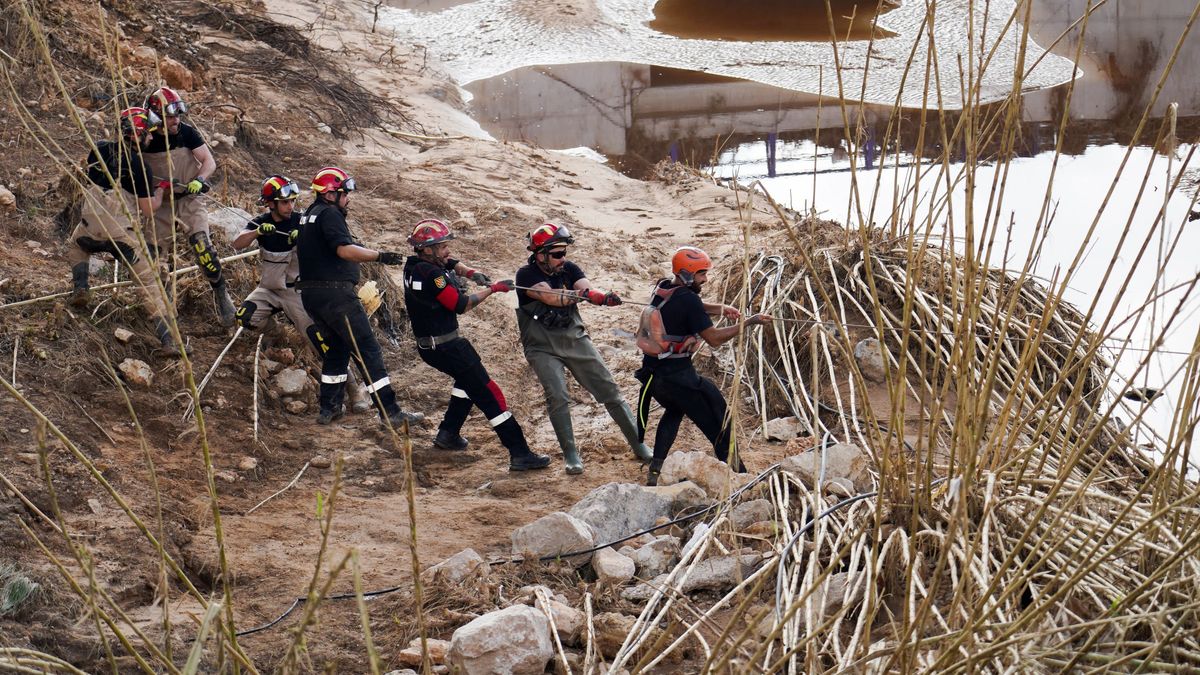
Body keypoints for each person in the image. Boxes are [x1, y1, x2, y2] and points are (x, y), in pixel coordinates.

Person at [402, 219, 551, 471]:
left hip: (430, 347)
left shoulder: (415, 266)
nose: (447, 250)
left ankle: (448, 433)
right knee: (490, 394)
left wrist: (471, 273)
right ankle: (519, 452)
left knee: (465, 383)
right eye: (442, 246)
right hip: (447, 347)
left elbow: (450, 263)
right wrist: (493, 289)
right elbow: (460, 305)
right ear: (427, 249)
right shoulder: (435, 277)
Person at [514, 223, 653, 474]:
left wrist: (601, 296)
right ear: (540, 254)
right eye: (557, 254)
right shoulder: (526, 276)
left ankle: (639, 445)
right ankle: (571, 455)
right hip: (542, 347)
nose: (563, 259)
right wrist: (587, 296)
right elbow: (551, 297)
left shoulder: (570, 269)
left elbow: (585, 287)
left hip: (575, 339)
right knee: (558, 396)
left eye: (564, 253)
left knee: (609, 389)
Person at [294, 166, 425, 427]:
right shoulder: (330, 214)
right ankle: (390, 413)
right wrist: (379, 255)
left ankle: (328, 408)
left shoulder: (308, 215)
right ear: (331, 195)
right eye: (345, 192)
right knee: (368, 350)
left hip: (312, 296)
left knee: (337, 350)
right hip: (336, 296)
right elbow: (343, 250)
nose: (349, 198)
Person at [634, 246, 772, 486]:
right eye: (701, 274)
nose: (705, 279)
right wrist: (751, 321)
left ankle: (655, 472)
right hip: (679, 380)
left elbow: (690, 304)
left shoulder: (664, 287)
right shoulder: (689, 300)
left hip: (654, 377)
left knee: (674, 411)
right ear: (687, 275)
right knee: (718, 421)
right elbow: (714, 339)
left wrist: (720, 308)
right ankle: (740, 475)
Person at [231, 175, 369, 413]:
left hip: (298, 292)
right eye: (285, 203)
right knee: (245, 316)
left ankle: (354, 389)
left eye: (293, 201)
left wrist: (303, 239)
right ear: (271, 204)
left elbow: (329, 246)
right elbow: (237, 243)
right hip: (269, 290)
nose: (290, 207)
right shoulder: (261, 222)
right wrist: (256, 233)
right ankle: (279, 332)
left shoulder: (303, 221)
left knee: (322, 345)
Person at [67, 107, 182, 356]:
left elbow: (95, 175)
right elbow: (148, 209)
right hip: (122, 237)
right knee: (148, 282)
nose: (151, 138)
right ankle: (169, 341)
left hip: (90, 228)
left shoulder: (98, 148)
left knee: (76, 247)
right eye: (148, 134)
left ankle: (81, 288)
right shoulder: (140, 166)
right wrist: (160, 191)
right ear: (136, 135)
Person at [141, 86, 237, 328]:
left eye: (177, 115)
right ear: (156, 117)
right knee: (157, 258)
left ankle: (220, 293)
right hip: (160, 204)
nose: (176, 121)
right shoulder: (145, 140)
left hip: (189, 200)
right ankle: (166, 308)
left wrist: (200, 180)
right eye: (170, 116)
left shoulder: (187, 133)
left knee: (204, 248)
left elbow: (208, 161)